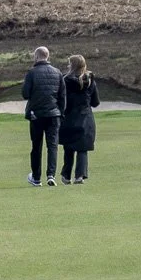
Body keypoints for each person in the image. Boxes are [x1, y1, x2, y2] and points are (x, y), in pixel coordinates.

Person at [21, 46, 66, 186]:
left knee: (36, 146)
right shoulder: (57, 73)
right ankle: (51, 175)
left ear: (36, 57)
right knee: (52, 146)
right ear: (48, 56)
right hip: (54, 114)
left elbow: (25, 94)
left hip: (36, 114)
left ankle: (36, 177)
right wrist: (61, 112)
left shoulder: (32, 73)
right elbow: (62, 96)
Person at [58, 54, 99, 184]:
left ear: (73, 65)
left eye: (69, 63)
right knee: (82, 149)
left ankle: (66, 175)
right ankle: (80, 175)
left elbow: (61, 100)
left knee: (68, 148)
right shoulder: (90, 80)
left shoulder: (65, 81)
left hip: (69, 117)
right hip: (85, 117)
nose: (68, 66)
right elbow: (95, 102)